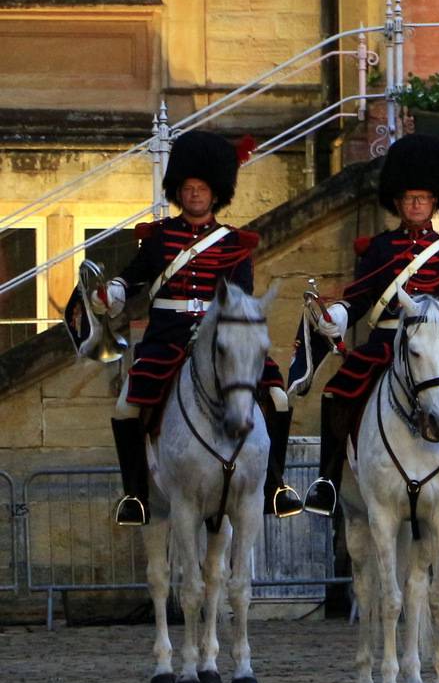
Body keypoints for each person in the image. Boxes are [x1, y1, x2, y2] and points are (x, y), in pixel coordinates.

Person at [97, 130, 299, 526]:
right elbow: (134, 277)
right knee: (126, 406)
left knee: (277, 397)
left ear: (215, 193)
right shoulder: (159, 238)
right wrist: (114, 292)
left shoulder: (234, 244)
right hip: (167, 337)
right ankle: (136, 495)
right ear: (179, 190)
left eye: (202, 188)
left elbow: (240, 296)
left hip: (219, 340)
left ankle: (274, 485)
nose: (194, 195)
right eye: (188, 188)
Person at [301, 134, 439, 517]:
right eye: (408, 197)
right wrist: (339, 315)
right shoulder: (380, 249)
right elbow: (360, 295)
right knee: (338, 392)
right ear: (397, 202)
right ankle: (328, 482)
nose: (416, 203)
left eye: (423, 197)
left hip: (436, 348)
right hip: (385, 342)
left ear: (436, 201)